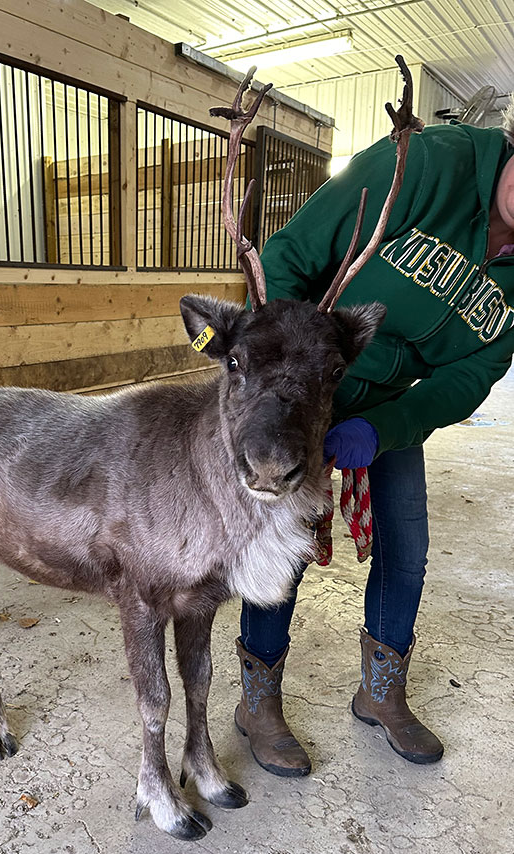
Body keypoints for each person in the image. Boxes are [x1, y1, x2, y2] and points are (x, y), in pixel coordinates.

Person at [234, 105, 514, 774]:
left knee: (406, 548)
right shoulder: (426, 163)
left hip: (382, 411)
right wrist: (283, 390)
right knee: (285, 546)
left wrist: (385, 428)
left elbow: (473, 371)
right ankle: (258, 706)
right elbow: (288, 258)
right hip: (303, 387)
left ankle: (380, 696)